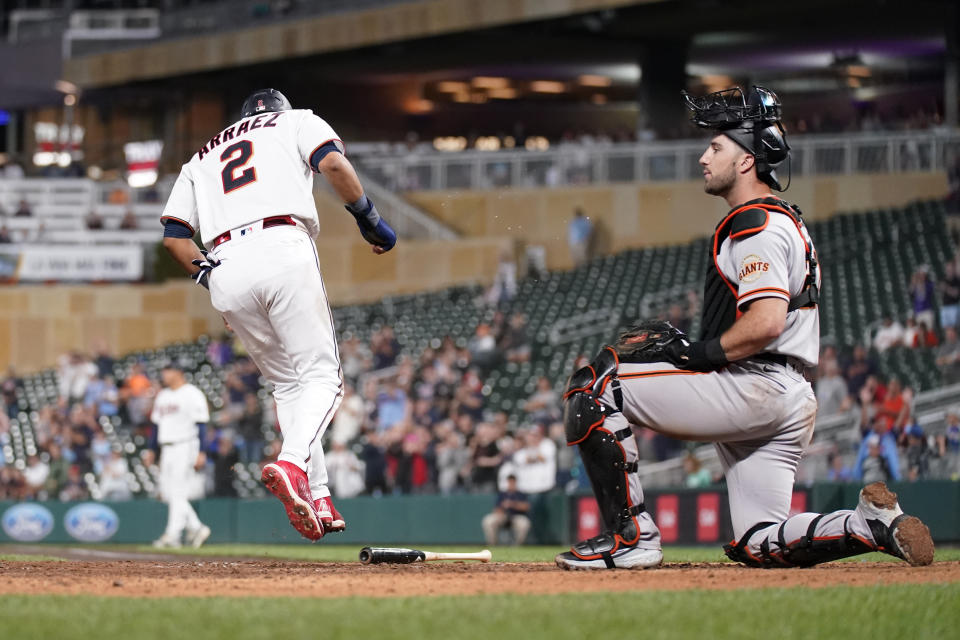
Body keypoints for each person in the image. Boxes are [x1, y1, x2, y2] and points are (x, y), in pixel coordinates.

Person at [555, 86, 933, 570]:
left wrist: (699, 354)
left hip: (756, 385)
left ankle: (630, 538)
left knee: (594, 386)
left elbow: (766, 321)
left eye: (716, 146)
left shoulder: (754, 223)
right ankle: (866, 525)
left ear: (748, 159)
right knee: (759, 540)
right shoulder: (781, 220)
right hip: (786, 394)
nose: (703, 157)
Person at [160, 88, 396, 540]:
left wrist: (218, 284)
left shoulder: (201, 157)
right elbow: (332, 164)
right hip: (281, 244)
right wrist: (370, 219)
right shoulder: (296, 120)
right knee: (324, 378)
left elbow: (174, 238)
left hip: (223, 264)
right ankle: (292, 464)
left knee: (288, 382)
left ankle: (319, 494)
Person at [150, 363, 212, 549]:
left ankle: (172, 534)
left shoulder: (192, 393)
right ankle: (197, 527)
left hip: (185, 445)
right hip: (167, 447)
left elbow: (201, 425)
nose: (164, 374)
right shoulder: (163, 395)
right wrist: (152, 449)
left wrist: (201, 451)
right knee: (169, 493)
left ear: (179, 372)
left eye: (168, 370)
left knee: (177, 492)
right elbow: (155, 426)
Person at [481, 475, 532, 546]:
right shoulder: (502, 494)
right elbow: (496, 509)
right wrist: (501, 509)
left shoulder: (520, 494)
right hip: (503, 516)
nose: (511, 484)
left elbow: (526, 507)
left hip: (516, 516)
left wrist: (512, 504)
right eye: (509, 482)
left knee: (524, 523)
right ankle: (492, 544)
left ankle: (518, 546)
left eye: (513, 482)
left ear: (515, 482)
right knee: (488, 520)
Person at [939, 261, 960, 330]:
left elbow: (956, 294)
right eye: (948, 269)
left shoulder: (957, 280)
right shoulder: (944, 279)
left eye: (950, 269)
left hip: (954, 307)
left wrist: (947, 288)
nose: (949, 270)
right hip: (945, 307)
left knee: (954, 328)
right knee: (946, 329)